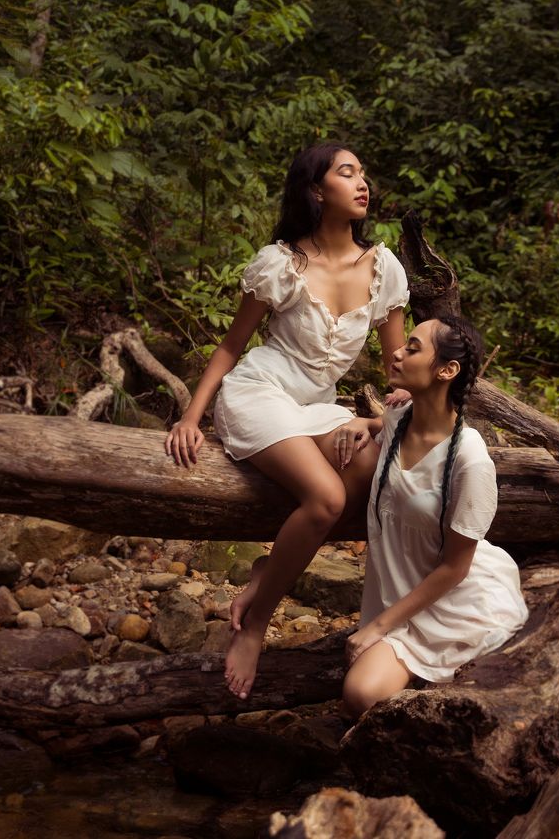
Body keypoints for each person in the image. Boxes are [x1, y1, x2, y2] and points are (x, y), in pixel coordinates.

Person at [164, 142, 410, 700]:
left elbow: (398, 371)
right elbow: (231, 347)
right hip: (261, 392)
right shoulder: (281, 263)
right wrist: (191, 417)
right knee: (326, 498)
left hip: (320, 406)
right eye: (347, 173)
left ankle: (267, 570)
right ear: (316, 190)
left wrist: (380, 419)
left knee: (373, 469)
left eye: (363, 174)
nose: (363, 183)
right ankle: (255, 625)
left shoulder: (384, 269)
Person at [341, 314, 529, 718]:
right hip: (400, 598)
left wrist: (377, 627)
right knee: (360, 696)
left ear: (447, 370)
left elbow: (456, 568)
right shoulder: (397, 420)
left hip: (459, 604)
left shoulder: (469, 460)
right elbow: (384, 421)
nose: (396, 352)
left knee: (363, 693)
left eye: (412, 348)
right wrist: (364, 422)